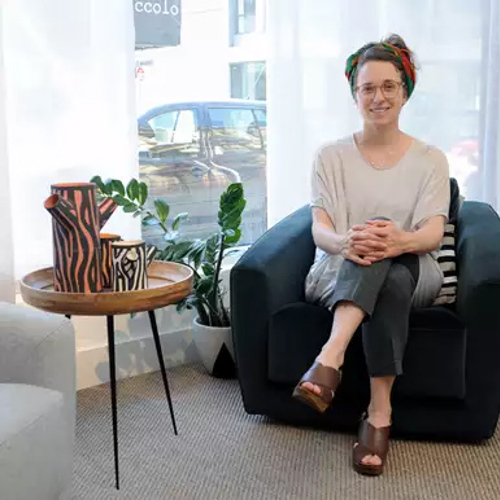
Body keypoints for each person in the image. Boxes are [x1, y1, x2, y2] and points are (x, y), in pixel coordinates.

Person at [292, 34, 450, 476]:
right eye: (367, 88)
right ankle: (379, 414)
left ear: (404, 92)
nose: (378, 97)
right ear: (354, 94)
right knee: (381, 265)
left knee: (385, 251)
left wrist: (398, 240)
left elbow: (433, 234)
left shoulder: (430, 159)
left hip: (417, 266)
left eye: (388, 87)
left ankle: (329, 360)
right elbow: (320, 229)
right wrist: (346, 243)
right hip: (339, 269)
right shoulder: (329, 156)